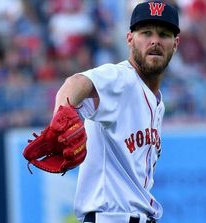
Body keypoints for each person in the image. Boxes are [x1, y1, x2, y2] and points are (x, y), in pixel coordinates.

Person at [53, 1, 180, 222]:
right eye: (146, 32)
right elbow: (77, 83)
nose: (155, 41)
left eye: (164, 34)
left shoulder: (157, 101)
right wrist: (60, 117)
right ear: (130, 39)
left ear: (175, 44)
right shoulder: (121, 79)